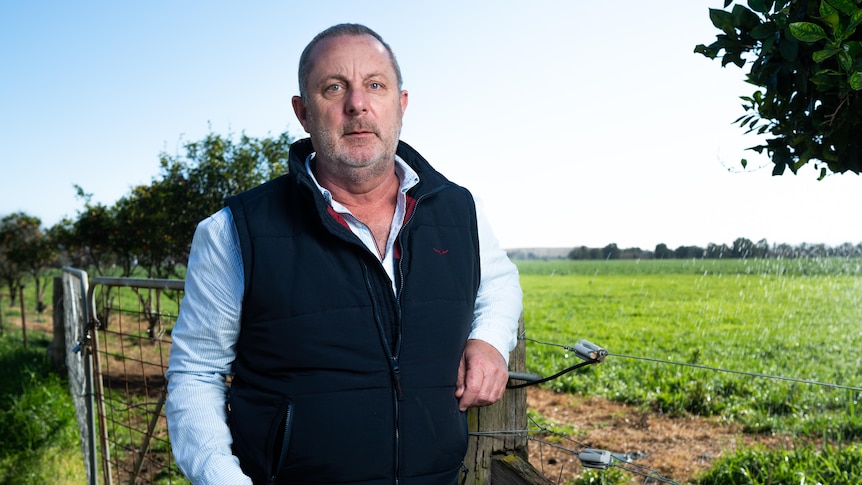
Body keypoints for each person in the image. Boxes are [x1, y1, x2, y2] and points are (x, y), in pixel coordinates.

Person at [165, 23, 522, 485]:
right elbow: (195, 373)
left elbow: (497, 280)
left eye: (376, 85)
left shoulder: (459, 210)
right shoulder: (235, 230)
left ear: (401, 103)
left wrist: (490, 339)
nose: (358, 103)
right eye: (334, 88)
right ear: (303, 112)